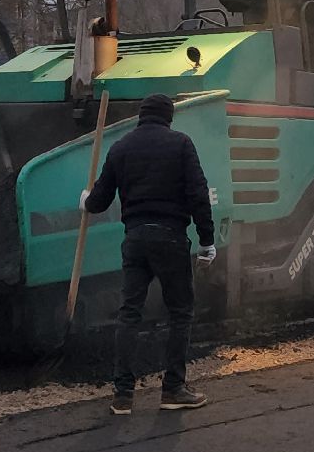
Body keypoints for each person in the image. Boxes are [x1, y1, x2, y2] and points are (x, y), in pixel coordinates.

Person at [83, 92, 216, 415]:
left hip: (135, 239)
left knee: (129, 314)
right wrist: (206, 242)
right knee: (180, 313)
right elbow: (198, 194)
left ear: (142, 116)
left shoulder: (121, 147)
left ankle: (122, 396)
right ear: (168, 116)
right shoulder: (181, 144)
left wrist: (85, 200)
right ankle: (173, 389)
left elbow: (98, 201)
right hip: (170, 237)